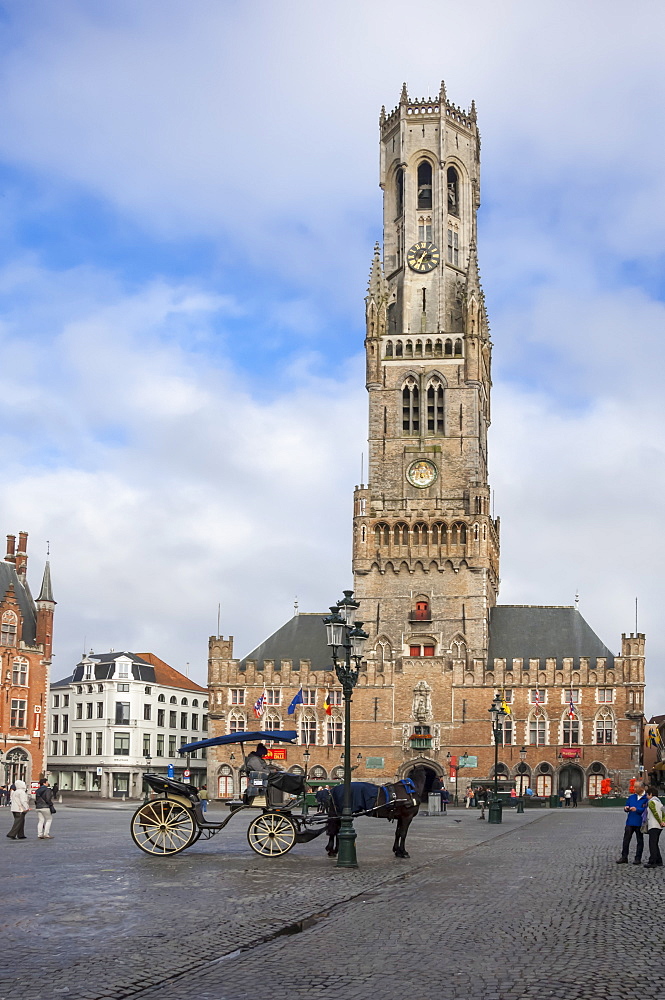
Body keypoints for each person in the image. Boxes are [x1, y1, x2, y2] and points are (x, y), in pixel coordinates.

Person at [617, 781, 648, 865]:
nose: (634, 789)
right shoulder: (631, 797)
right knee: (626, 840)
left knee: (639, 841)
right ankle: (624, 857)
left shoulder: (646, 798)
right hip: (630, 822)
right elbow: (627, 805)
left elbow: (646, 810)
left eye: (636, 787)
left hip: (639, 822)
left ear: (642, 788)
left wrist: (637, 809)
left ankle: (638, 858)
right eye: (634, 787)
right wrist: (626, 808)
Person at [643, 785, 665, 868]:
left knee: (652, 844)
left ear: (651, 794)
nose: (646, 796)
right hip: (659, 827)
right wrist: (663, 821)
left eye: (647, 794)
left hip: (653, 825)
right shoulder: (659, 802)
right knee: (655, 843)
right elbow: (663, 813)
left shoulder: (651, 802)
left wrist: (660, 822)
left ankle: (652, 861)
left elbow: (655, 812)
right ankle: (659, 860)